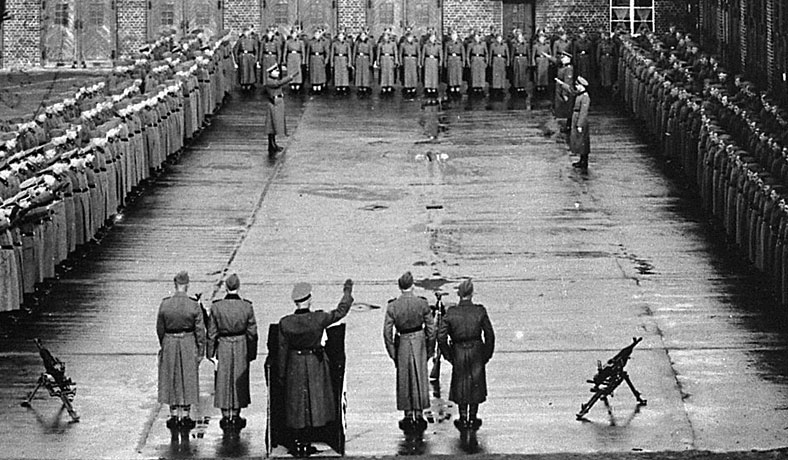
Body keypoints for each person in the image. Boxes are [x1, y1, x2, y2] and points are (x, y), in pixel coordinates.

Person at [278, 279, 354, 456]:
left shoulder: (286, 323)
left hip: (294, 364)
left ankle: (299, 442)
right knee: (314, 401)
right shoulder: (318, 319)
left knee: (297, 403)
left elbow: (282, 350)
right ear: (309, 299)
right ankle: (308, 440)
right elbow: (340, 312)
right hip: (314, 363)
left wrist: (281, 373)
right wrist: (347, 292)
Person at [437, 279, 494, 431]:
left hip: (458, 350)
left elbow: (441, 337)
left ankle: (462, 417)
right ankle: (473, 417)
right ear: (471, 293)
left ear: (459, 294)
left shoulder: (451, 313)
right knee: (475, 384)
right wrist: (485, 355)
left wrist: (449, 356)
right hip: (476, 350)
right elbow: (490, 335)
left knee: (461, 384)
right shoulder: (480, 311)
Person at [382, 271, 436, 433]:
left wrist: (393, 353)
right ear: (412, 285)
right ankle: (419, 413)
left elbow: (387, 332)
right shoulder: (422, 303)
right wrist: (429, 349)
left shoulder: (393, 306)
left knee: (404, 378)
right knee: (420, 377)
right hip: (419, 340)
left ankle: (407, 414)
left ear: (400, 287)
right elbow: (431, 329)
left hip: (403, 342)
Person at [207, 273, 259, 431]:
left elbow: (211, 333)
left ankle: (225, 414)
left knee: (223, 379)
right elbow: (252, 332)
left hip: (223, 344)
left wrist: (210, 353)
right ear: (238, 286)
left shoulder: (217, 307)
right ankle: (235, 414)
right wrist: (251, 353)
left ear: (226, 287)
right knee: (239, 379)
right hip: (241, 344)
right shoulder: (247, 306)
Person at [156, 270, 206, 430]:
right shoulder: (193, 305)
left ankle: (173, 414)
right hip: (188, 341)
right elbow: (200, 330)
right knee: (188, 377)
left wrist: (165, 343)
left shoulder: (165, 304)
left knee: (171, 377)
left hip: (170, 341)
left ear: (175, 284)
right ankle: (185, 414)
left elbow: (160, 328)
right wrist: (201, 350)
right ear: (187, 285)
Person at [263, 64, 300, 155]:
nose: (277, 73)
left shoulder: (273, 80)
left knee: (275, 125)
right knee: (272, 125)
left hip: (278, 102)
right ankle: (271, 144)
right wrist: (290, 77)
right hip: (274, 103)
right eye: (276, 71)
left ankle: (273, 144)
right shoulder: (269, 81)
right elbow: (278, 84)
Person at [570, 76, 591, 170]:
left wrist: (580, 124)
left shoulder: (585, 97)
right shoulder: (581, 95)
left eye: (577, 85)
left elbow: (584, 111)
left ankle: (584, 161)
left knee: (583, 141)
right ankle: (582, 159)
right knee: (580, 141)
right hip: (577, 118)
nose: (576, 87)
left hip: (580, 120)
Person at [283, 27, 306, 92]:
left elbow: (303, 52)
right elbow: (285, 51)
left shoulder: (300, 42)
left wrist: (303, 60)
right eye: (293, 34)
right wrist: (284, 60)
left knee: (298, 70)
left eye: (295, 34)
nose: (294, 35)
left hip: (297, 57)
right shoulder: (287, 42)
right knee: (291, 71)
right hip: (290, 57)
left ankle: (298, 83)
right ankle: (292, 83)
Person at [376, 29, 399, 94]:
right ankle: (384, 86)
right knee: (383, 73)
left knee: (390, 73)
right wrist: (377, 61)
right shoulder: (380, 44)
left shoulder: (393, 44)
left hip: (390, 59)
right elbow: (378, 53)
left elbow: (395, 52)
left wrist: (396, 61)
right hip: (383, 59)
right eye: (385, 35)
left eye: (388, 35)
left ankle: (390, 86)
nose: (386, 37)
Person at [421, 32, 442, 97]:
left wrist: (440, 63)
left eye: (434, 37)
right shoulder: (425, 45)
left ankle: (434, 87)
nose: (432, 39)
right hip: (428, 60)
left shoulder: (438, 45)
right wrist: (422, 62)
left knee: (434, 74)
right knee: (428, 74)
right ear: (429, 38)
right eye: (431, 37)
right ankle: (428, 87)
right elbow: (423, 55)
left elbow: (440, 55)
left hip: (435, 60)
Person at [444, 30, 465, 95]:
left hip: (458, 60)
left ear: (457, 36)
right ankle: (452, 86)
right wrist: (445, 61)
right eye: (452, 35)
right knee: (451, 74)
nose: (453, 37)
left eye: (455, 35)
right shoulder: (447, 44)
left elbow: (463, 53)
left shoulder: (460, 44)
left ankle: (457, 86)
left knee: (457, 74)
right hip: (450, 59)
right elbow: (445, 53)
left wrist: (463, 61)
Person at [353, 29, 374, 94]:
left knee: (365, 73)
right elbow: (354, 52)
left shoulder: (369, 43)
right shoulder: (357, 43)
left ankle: (365, 86)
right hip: (359, 58)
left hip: (366, 59)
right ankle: (360, 86)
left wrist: (371, 62)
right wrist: (353, 61)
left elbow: (371, 53)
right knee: (359, 73)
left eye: (364, 35)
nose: (362, 37)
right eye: (361, 35)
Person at [400, 33, 420, 98]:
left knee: (413, 74)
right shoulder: (403, 45)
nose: (410, 39)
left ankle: (413, 87)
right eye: (408, 38)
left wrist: (419, 62)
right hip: (406, 60)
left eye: (411, 37)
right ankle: (407, 87)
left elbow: (419, 53)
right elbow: (400, 54)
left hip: (414, 60)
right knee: (407, 74)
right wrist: (401, 62)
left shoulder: (416, 44)